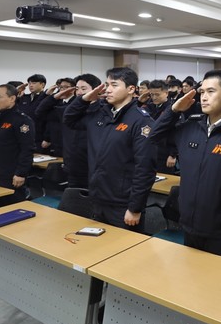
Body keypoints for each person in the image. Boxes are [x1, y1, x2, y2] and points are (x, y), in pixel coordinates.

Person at [149, 69, 221, 258]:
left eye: (211, 91)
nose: (204, 97)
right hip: (189, 224)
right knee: (189, 272)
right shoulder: (189, 127)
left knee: (220, 277)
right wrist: (174, 110)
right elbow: (153, 135)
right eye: (202, 92)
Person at [62, 67, 156, 231]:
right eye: (107, 85)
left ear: (131, 89)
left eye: (114, 85)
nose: (108, 89)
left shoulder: (141, 121)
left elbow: (145, 169)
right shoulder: (100, 114)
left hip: (123, 204)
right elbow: (69, 119)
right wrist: (84, 100)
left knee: (124, 246)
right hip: (97, 196)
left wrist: (135, 208)